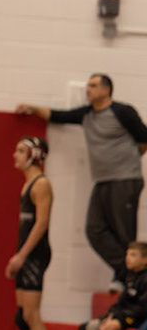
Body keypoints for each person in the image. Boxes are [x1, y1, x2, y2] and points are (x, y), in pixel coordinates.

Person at [17, 74, 147, 287]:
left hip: (125, 178)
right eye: (88, 85)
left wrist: (129, 159)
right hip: (102, 180)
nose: (88, 89)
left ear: (106, 90)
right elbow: (58, 115)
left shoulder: (122, 112)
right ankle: (126, 273)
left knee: (124, 232)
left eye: (93, 85)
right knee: (94, 229)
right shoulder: (86, 114)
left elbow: (143, 138)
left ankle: (131, 280)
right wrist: (32, 107)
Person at [0, 137, 56, 330]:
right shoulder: (28, 184)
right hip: (27, 253)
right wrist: (19, 255)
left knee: (31, 313)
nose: (15, 155)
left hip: (35, 255)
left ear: (34, 155)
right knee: (23, 316)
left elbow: (41, 224)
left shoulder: (41, 184)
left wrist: (22, 256)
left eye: (21, 151)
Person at [82, 242, 147, 330]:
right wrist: (111, 314)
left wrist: (120, 315)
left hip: (138, 318)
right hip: (126, 315)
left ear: (145, 259)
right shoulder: (130, 275)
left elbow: (143, 307)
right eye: (127, 254)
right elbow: (120, 301)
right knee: (93, 326)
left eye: (133, 255)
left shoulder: (145, 278)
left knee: (110, 327)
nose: (128, 258)